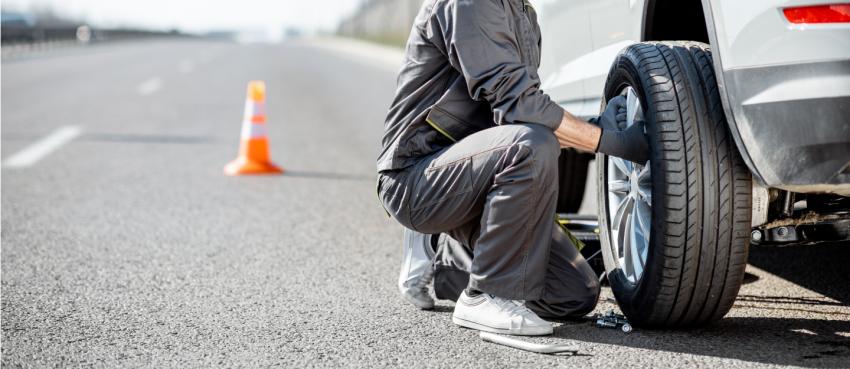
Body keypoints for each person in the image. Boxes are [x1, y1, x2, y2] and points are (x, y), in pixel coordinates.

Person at [379, 0, 649, 336]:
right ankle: (486, 296)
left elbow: (519, 117)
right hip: (417, 177)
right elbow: (522, 114)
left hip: (475, 173)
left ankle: (443, 256)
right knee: (531, 147)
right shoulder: (470, 5)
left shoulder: (522, 13)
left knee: (572, 293)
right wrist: (605, 139)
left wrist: (595, 127)